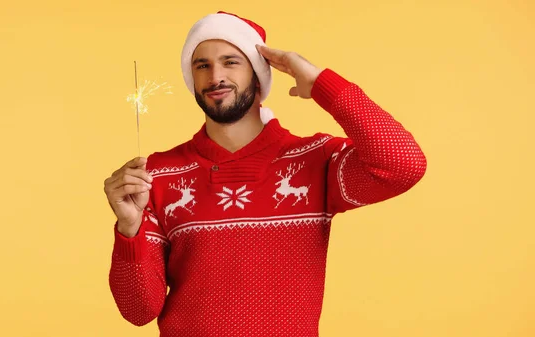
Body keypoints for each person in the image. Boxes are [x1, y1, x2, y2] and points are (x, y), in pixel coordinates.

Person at [103, 10, 427, 337]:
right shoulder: (157, 173)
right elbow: (138, 311)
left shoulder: (315, 160)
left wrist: (320, 83)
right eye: (202, 65)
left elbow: (402, 165)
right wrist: (129, 229)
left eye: (231, 62)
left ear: (258, 74)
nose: (216, 76)